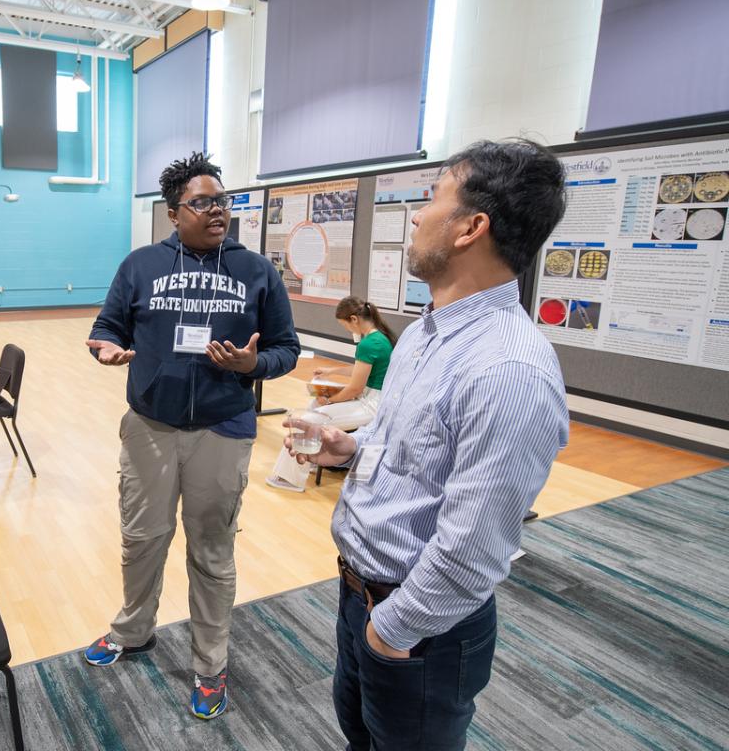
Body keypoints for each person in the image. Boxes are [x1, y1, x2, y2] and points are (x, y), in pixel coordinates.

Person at [288, 139, 569, 750]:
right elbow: (417, 459)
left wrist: (393, 629)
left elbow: (476, 546)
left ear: (472, 227)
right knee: (360, 736)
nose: (416, 216)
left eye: (433, 198)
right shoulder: (423, 334)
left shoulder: (509, 370)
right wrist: (350, 450)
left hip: (420, 628)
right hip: (359, 595)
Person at [83, 152, 299, 720]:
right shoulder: (140, 266)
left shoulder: (257, 272)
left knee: (212, 552)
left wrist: (252, 366)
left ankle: (210, 663)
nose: (217, 211)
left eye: (222, 200)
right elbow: (107, 326)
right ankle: (133, 631)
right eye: (202, 203)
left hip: (222, 431)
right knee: (142, 538)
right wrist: (106, 347)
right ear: (174, 213)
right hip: (149, 428)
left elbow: (286, 350)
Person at [265, 296, 396, 493]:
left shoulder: (369, 344)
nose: (347, 331)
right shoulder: (379, 339)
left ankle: (289, 478)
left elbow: (355, 389)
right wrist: (330, 372)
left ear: (354, 319)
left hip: (372, 405)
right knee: (314, 409)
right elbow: (360, 369)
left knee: (308, 419)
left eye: (345, 326)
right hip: (373, 399)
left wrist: (329, 400)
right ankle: (311, 461)